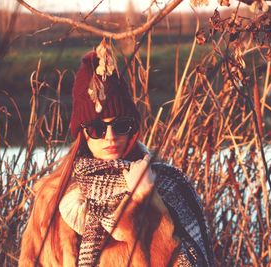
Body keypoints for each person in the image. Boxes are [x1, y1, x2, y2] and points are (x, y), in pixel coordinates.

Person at [19, 45, 214, 267]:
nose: (110, 137)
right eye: (97, 128)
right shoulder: (51, 197)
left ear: (133, 128)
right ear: (82, 133)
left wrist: (146, 201)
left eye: (121, 125)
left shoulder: (169, 186)